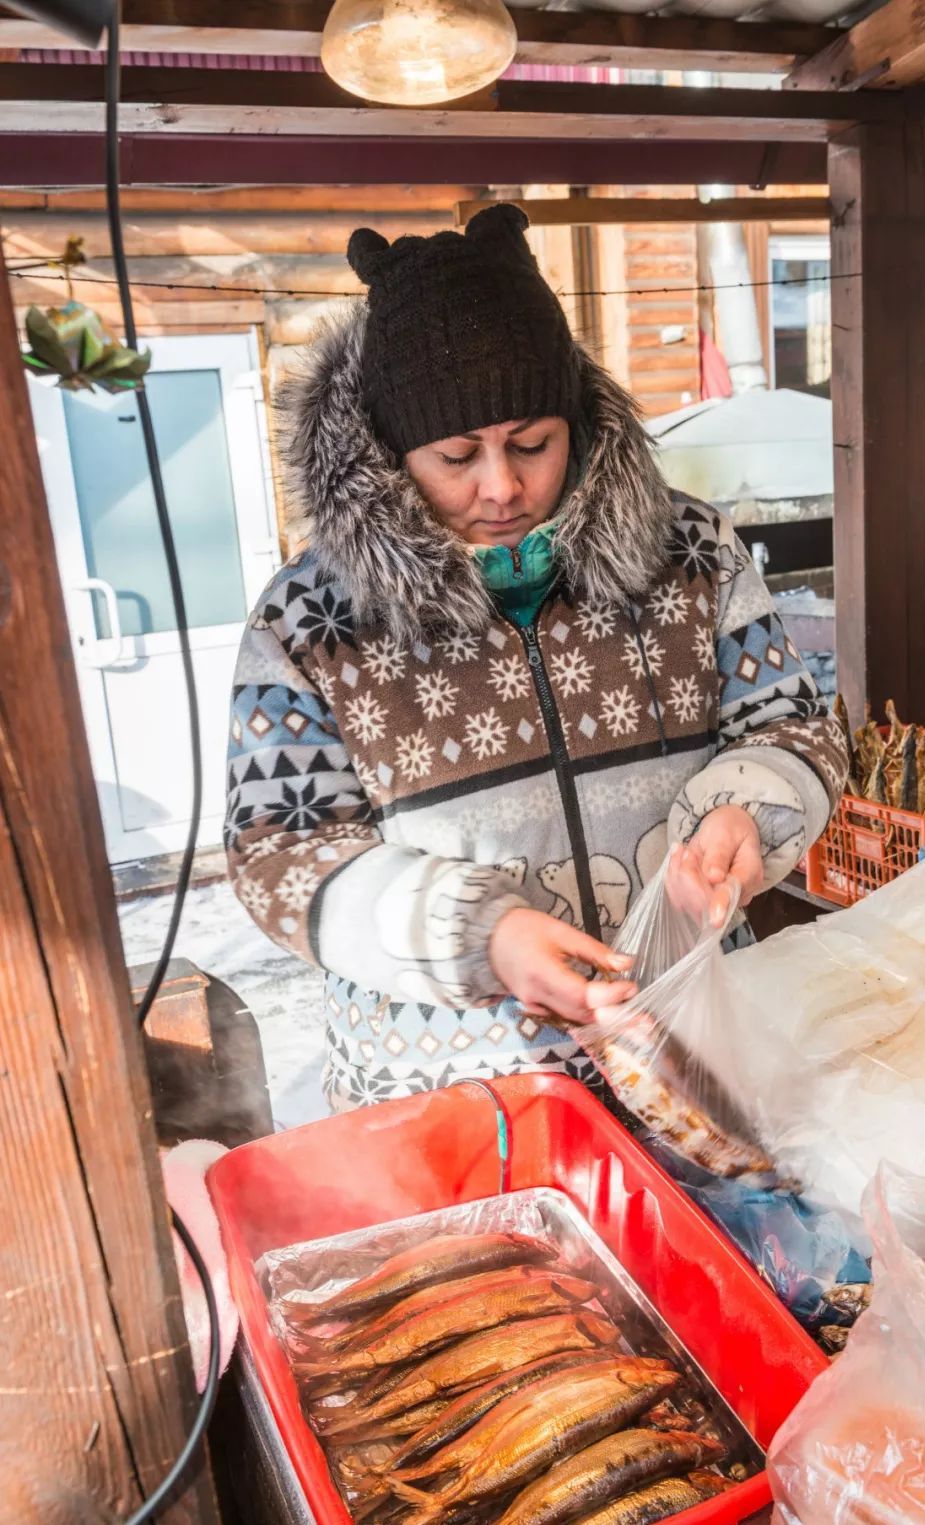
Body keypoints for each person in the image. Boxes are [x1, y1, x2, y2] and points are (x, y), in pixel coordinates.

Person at [225, 203, 846, 1111]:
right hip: (453, 1087)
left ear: (581, 425)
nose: (502, 486)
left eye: (531, 443)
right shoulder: (313, 620)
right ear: (392, 455)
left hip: (687, 1042)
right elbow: (280, 853)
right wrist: (480, 934)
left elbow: (794, 724)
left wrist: (749, 812)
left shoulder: (691, 551)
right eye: (455, 455)